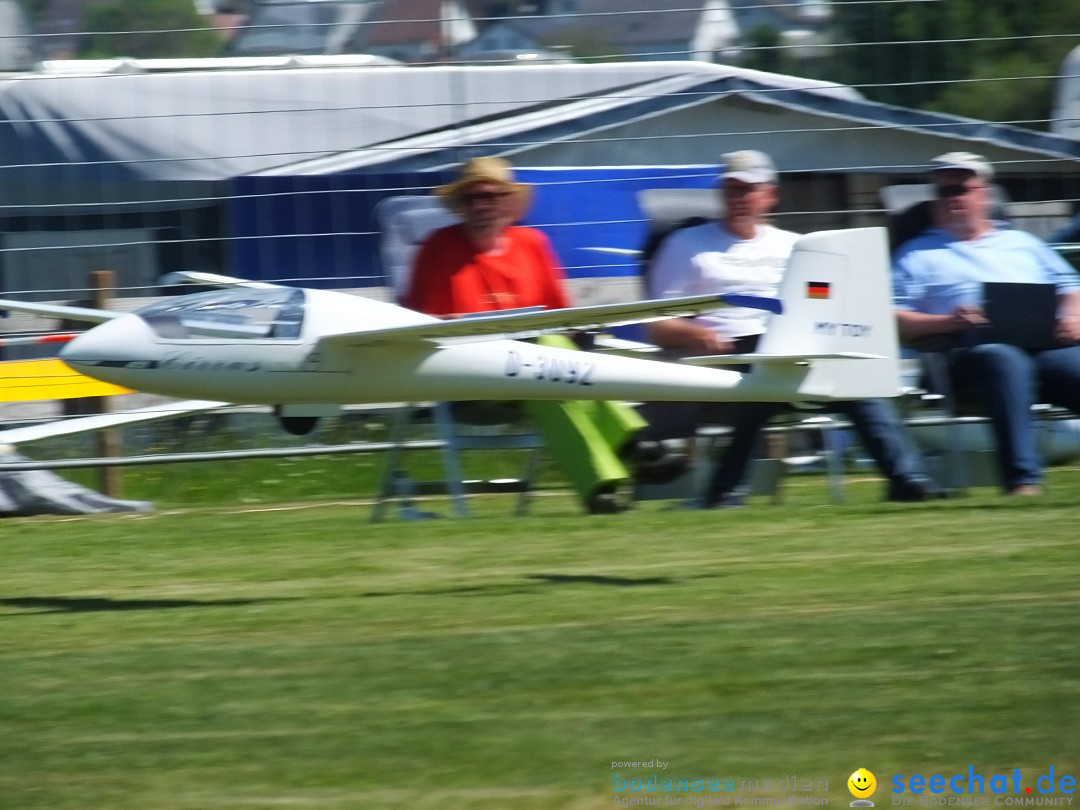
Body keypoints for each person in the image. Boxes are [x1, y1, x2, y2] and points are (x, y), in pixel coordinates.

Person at [639, 150, 936, 506]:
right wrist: (696, 334)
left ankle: (907, 479)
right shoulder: (686, 246)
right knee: (763, 375)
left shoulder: (797, 246)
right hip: (728, 352)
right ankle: (727, 490)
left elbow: (826, 300)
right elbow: (656, 323)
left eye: (748, 189)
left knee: (859, 382)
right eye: (731, 189)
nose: (739, 198)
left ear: (770, 195)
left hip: (802, 350)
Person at [403, 156, 679, 514]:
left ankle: (602, 489)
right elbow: (421, 325)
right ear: (460, 206)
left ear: (508, 202)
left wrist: (577, 330)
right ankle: (636, 445)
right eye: (472, 199)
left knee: (548, 374)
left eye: (491, 196)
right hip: (470, 378)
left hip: (534, 375)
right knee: (550, 364)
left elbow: (560, 317)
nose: (482, 206)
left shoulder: (531, 243)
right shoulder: (438, 249)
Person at [892, 152, 1080, 495]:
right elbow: (894, 318)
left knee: (1075, 365)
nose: (952, 199)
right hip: (961, 352)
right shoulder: (915, 255)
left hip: (1043, 346)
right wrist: (946, 321)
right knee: (1004, 359)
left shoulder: (1023, 244)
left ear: (985, 194)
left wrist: (1072, 317)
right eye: (944, 192)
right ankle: (1023, 481)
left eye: (961, 189)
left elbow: (1071, 289)